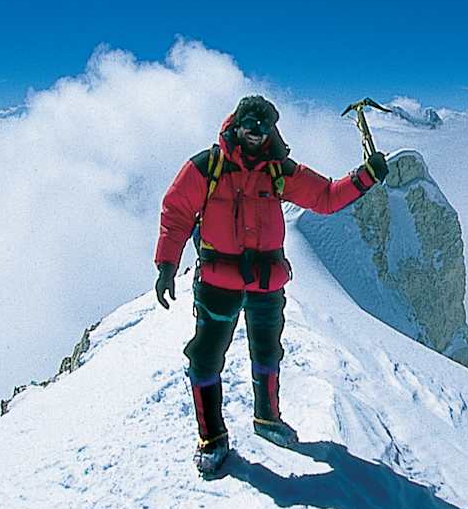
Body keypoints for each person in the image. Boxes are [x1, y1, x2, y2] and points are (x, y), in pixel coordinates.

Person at [153, 95, 387, 474]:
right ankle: (212, 438)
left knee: (267, 353)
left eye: (264, 128)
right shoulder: (208, 165)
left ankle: (267, 419)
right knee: (205, 356)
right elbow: (176, 211)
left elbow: (325, 198)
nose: (257, 134)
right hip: (218, 280)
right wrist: (166, 263)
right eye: (250, 126)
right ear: (235, 125)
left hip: (264, 282)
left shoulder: (279, 170)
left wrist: (366, 177)